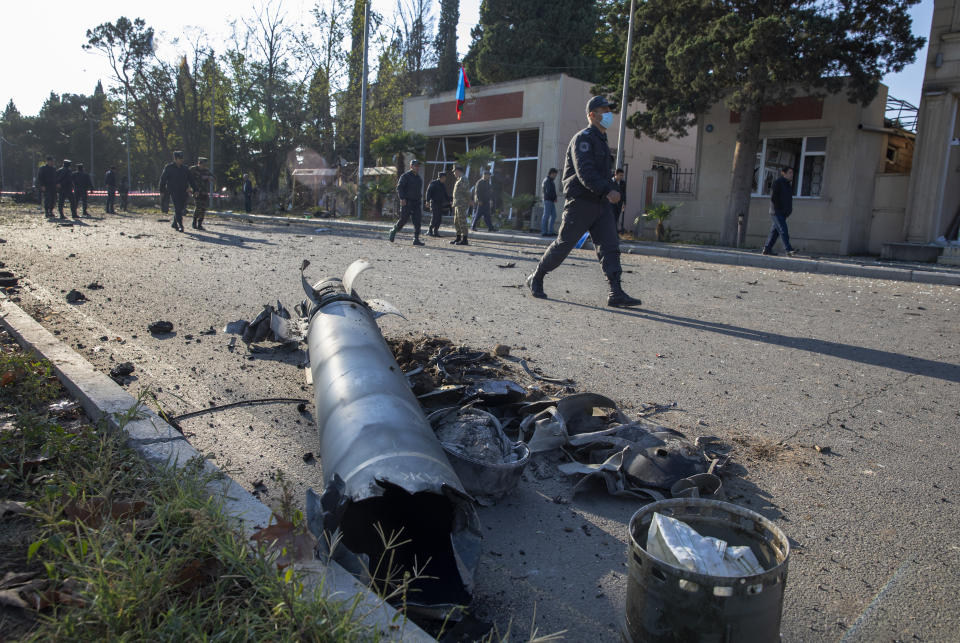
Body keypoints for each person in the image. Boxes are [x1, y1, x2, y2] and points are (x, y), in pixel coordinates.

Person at [526, 96, 642, 308]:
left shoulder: (602, 140)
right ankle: (537, 276)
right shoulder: (584, 139)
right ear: (591, 114)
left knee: (610, 246)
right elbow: (585, 173)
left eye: (609, 109)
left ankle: (615, 291)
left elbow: (602, 174)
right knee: (563, 245)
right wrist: (608, 190)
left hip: (600, 204)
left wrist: (612, 190)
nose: (608, 113)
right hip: (581, 203)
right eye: (603, 110)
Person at [158, 151, 197, 232]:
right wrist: (162, 190)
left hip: (184, 191)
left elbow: (191, 180)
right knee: (177, 208)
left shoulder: (185, 168)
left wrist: (195, 189)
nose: (181, 160)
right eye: (180, 158)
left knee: (181, 208)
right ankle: (180, 225)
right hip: (173, 191)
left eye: (182, 158)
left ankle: (175, 223)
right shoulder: (169, 168)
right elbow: (163, 180)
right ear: (175, 159)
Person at [389, 158, 425, 246]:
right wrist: (402, 198)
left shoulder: (419, 178)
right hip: (407, 202)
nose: (417, 167)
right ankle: (394, 230)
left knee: (417, 221)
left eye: (418, 166)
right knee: (403, 220)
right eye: (415, 166)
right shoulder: (405, 176)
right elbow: (399, 187)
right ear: (411, 166)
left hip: (416, 202)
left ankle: (416, 239)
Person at [762, 167, 797, 256]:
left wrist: (788, 210)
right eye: (789, 173)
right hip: (776, 212)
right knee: (783, 230)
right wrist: (778, 208)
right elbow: (773, 197)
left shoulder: (788, 184)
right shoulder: (778, 183)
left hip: (784, 212)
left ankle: (767, 249)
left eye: (792, 173)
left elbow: (788, 199)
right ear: (783, 173)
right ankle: (788, 249)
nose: (791, 175)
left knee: (774, 232)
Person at [189, 157, 213, 230]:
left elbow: (213, 177)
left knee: (203, 208)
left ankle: (200, 224)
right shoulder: (193, 169)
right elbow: (187, 177)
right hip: (196, 191)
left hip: (204, 192)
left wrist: (208, 177)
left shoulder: (206, 170)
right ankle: (194, 222)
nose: (204, 166)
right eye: (203, 164)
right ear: (199, 163)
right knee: (198, 206)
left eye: (205, 165)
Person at [425, 171, 451, 237]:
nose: (445, 179)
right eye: (444, 178)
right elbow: (428, 192)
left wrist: (450, 200)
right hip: (434, 203)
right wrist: (427, 201)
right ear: (441, 178)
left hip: (440, 204)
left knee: (439, 218)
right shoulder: (433, 183)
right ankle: (430, 230)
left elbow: (445, 194)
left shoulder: (442, 185)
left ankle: (435, 231)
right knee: (435, 217)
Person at [451, 165, 470, 245]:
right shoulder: (459, 179)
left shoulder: (463, 179)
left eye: (454, 171)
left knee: (462, 221)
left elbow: (465, 192)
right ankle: (458, 238)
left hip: (462, 204)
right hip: (457, 203)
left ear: (458, 171)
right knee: (456, 221)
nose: (454, 173)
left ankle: (465, 239)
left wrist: (468, 201)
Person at [541, 168, 558, 236]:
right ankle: (544, 232)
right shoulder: (547, 180)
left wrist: (555, 198)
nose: (555, 177)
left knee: (554, 215)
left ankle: (550, 231)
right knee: (546, 216)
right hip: (547, 200)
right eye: (554, 175)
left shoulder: (551, 181)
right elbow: (548, 192)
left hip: (551, 200)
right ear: (551, 174)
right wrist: (553, 197)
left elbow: (553, 191)